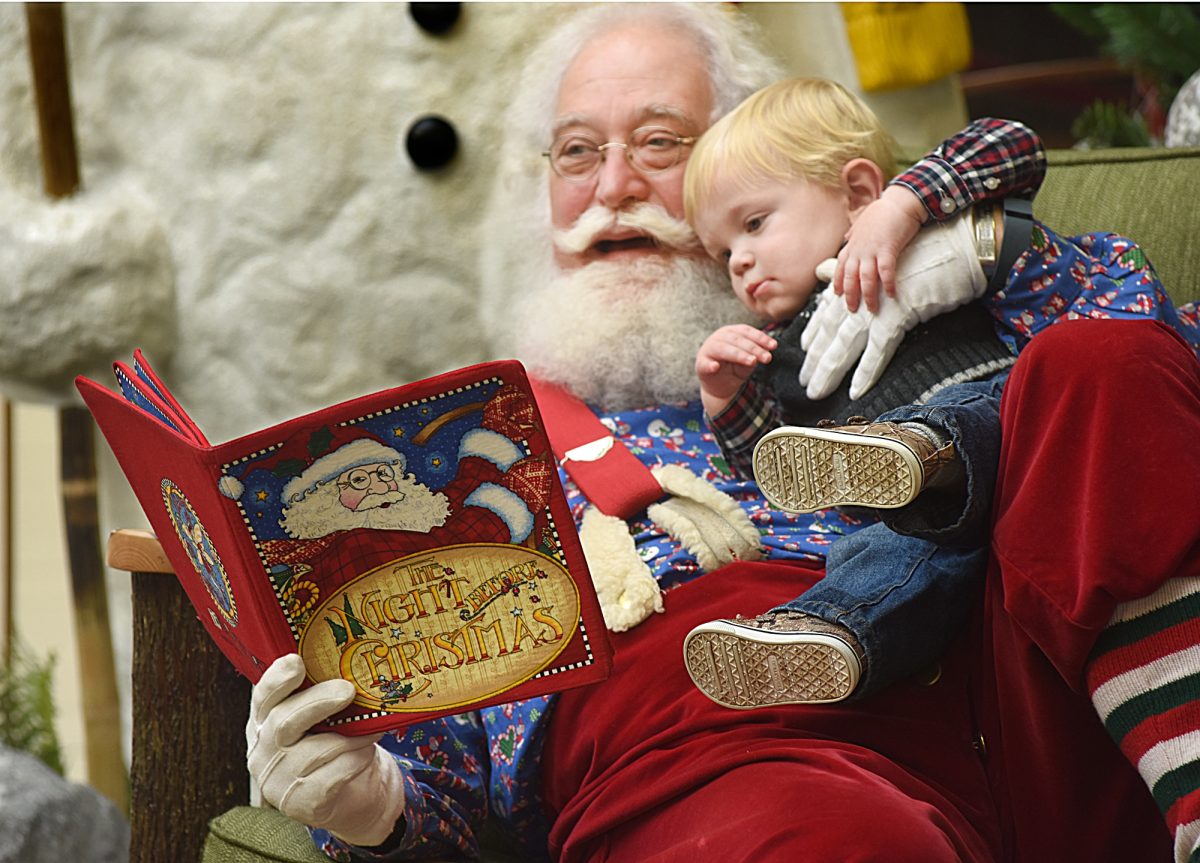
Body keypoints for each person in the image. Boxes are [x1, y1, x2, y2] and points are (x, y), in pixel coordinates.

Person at [243, 5, 1200, 862]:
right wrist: (365, 795)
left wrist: (968, 249)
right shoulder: (465, 460)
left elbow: (1153, 381)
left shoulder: (909, 309)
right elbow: (435, 786)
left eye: (661, 142)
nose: (614, 185)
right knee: (837, 841)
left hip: (1038, 707)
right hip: (733, 753)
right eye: (575, 152)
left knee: (1096, 361)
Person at [678, 76, 1200, 707]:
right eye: (723, 252)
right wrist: (724, 394)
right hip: (930, 521)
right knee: (897, 558)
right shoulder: (773, 347)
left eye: (755, 223)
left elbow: (1010, 144)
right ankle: (825, 633)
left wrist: (903, 207)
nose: (738, 260)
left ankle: (917, 448)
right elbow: (774, 466)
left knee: (971, 408)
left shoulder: (922, 244)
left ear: (857, 192)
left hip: (1010, 431)